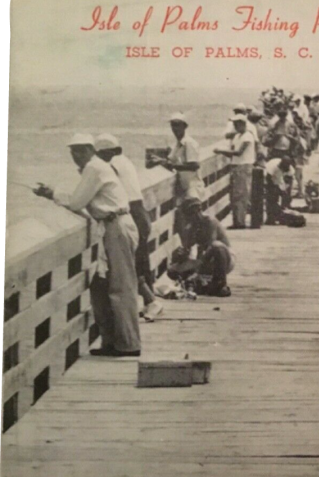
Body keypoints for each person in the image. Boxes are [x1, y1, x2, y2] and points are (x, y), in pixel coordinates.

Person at [35, 134, 142, 357]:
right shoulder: (97, 167)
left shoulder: (94, 168)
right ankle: (113, 342)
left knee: (121, 287)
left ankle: (129, 344)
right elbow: (80, 199)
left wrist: (51, 194)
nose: (75, 156)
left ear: (89, 150)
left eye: (79, 151)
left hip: (117, 226)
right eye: (72, 151)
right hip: (113, 226)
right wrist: (53, 193)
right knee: (104, 285)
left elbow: (76, 202)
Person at [95, 134, 164, 322]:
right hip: (140, 212)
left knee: (130, 265)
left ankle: (151, 302)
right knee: (139, 262)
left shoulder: (112, 165)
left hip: (131, 214)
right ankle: (149, 302)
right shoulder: (125, 161)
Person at [169, 198, 235, 297]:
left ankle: (221, 285)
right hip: (206, 260)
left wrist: (197, 268)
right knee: (172, 270)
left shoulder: (210, 222)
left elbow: (210, 247)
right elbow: (187, 248)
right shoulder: (191, 227)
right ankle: (204, 283)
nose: (188, 219)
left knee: (216, 246)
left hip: (225, 259)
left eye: (189, 215)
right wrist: (180, 256)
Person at [157, 113, 206, 248]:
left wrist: (173, 166)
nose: (175, 128)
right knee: (184, 224)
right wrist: (160, 161)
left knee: (195, 222)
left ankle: (199, 251)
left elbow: (194, 165)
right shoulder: (177, 144)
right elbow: (171, 160)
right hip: (183, 188)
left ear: (185, 126)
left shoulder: (189, 143)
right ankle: (188, 251)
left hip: (192, 188)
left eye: (178, 125)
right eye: (173, 125)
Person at [214, 114, 256, 229]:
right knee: (234, 195)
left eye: (237, 124)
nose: (235, 126)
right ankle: (237, 220)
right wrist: (224, 150)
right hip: (236, 166)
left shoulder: (248, 136)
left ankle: (240, 222)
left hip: (243, 166)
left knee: (241, 195)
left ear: (243, 124)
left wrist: (221, 150)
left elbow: (238, 152)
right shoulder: (237, 136)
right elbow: (232, 151)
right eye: (234, 124)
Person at [263, 157, 294, 225]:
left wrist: (285, 191)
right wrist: (276, 189)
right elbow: (268, 179)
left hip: (279, 180)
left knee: (286, 198)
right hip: (268, 178)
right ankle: (271, 218)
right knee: (271, 198)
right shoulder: (272, 166)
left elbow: (289, 181)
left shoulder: (290, 169)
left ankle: (282, 216)